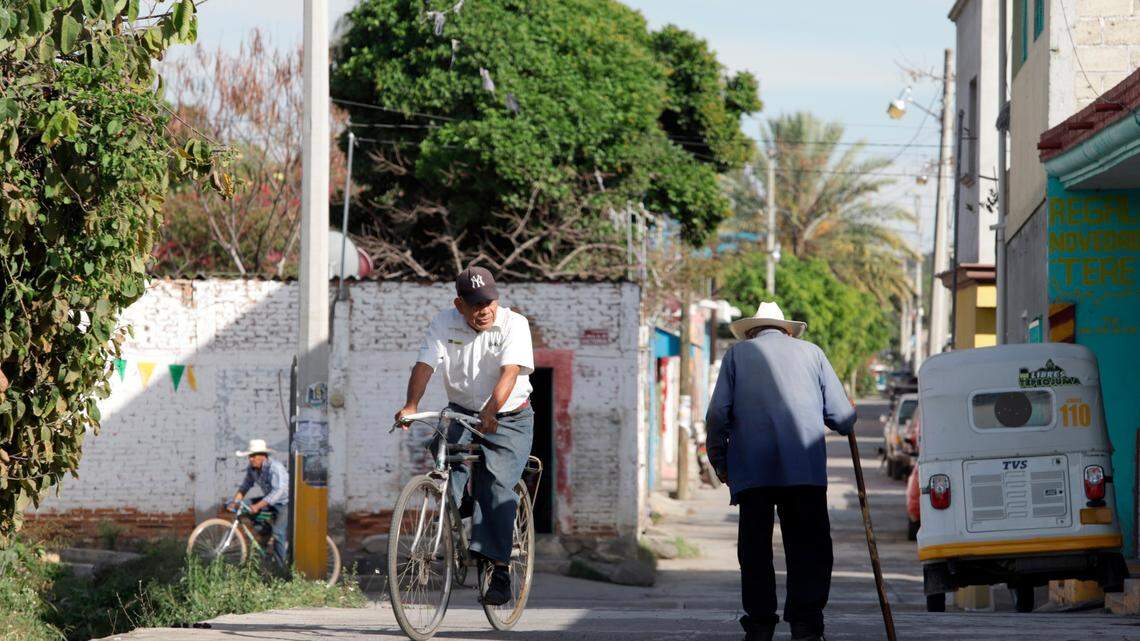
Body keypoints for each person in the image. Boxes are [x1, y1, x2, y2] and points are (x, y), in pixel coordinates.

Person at [705, 302, 856, 641]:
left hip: (752, 472)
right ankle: (806, 625)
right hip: (804, 470)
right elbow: (842, 419)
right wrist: (849, 415)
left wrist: (720, 461)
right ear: (788, 331)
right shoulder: (813, 354)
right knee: (810, 549)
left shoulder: (736, 356)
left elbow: (716, 414)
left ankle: (760, 626)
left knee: (755, 551)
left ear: (751, 332)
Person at [395, 266, 535, 606]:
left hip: (508, 417)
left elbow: (510, 372)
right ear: (459, 305)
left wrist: (491, 411)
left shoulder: (514, 324)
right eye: (475, 305)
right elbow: (425, 364)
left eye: (489, 302)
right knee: (444, 457)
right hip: (461, 411)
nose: (484, 310)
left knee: (497, 487)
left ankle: (499, 569)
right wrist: (411, 405)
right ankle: (460, 513)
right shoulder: (444, 323)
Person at [230, 439, 290, 565]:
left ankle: (282, 569)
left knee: (278, 533)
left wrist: (258, 506)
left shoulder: (275, 468)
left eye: (253, 456)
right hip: (269, 501)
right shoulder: (252, 469)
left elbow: (278, 492)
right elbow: (245, 486)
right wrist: (235, 502)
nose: (250, 459)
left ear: (263, 456)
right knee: (245, 506)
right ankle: (265, 532)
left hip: (285, 503)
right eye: (250, 456)